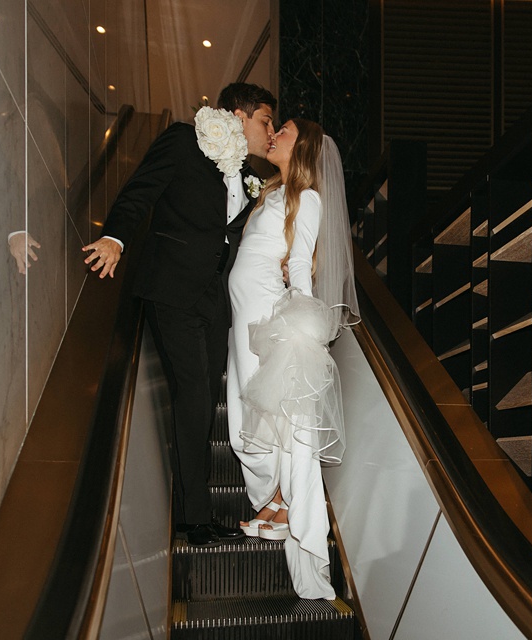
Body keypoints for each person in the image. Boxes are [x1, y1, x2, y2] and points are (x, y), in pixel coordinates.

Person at [82, 83, 276, 547]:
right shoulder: (184, 139)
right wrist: (116, 237)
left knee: (204, 399)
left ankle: (195, 514)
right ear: (239, 114)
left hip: (214, 302)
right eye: (266, 120)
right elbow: (141, 191)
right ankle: (194, 519)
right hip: (172, 288)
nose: (269, 131)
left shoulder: (250, 175)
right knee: (192, 394)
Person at [227, 119, 359, 599]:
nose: (274, 133)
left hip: (268, 314)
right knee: (250, 414)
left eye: (282, 129)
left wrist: (303, 321)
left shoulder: (309, 197)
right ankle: (276, 499)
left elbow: (301, 261)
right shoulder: (271, 191)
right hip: (243, 316)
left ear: (300, 146)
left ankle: (286, 505)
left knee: (277, 413)